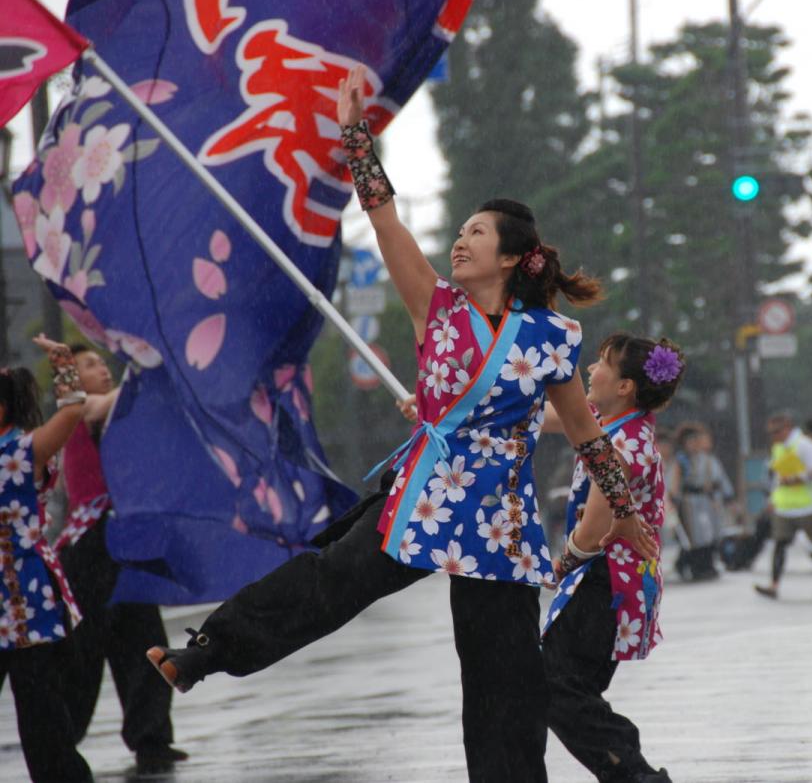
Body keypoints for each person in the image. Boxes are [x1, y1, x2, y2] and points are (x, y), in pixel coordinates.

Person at [145, 65, 655, 783]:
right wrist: (356, 134)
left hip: (500, 522)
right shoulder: (434, 305)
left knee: (503, 680)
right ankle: (208, 650)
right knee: (331, 578)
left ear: (511, 256)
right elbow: (381, 214)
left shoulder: (551, 337)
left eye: (477, 234)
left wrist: (625, 510)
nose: (460, 241)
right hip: (425, 489)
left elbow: (585, 433)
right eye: (462, 230)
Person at [540, 333, 684, 783]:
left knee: (556, 685)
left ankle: (633, 771)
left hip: (608, 580)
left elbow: (599, 524)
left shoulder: (625, 443)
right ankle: (628, 764)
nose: (590, 369)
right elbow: (551, 416)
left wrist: (562, 563)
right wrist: (443, 411)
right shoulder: (613, 427)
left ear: (625, 387)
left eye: (602, 363)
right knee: (568, 686)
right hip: (608, 580)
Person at [56, 346, 186, 773]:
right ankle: (57, 744)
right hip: (89, 547)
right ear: (72, 379)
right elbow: (100, 404)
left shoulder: (120, 418)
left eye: (103, 363)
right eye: (90, 365)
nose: (103, 371)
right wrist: (145, 365)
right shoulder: (76, 410)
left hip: (126, 541)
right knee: (81, 654)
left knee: (144, 642)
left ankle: (152, 739)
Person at [0, 336, 93, 782]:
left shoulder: (21, 448)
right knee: (41, 710)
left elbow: (73, 408)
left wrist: (62, 361)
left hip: (25, 597)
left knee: (40, 713)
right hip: (14, 596)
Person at [754, 412, 812, 599]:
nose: (773, 436)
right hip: (785, 507)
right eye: (770, 433)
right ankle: (774, 585)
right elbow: (777, 477)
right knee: (780, 544)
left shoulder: (805, 445)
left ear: (787, 428)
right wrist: (772, 500)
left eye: (776, 431)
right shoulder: (778, 448)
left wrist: (798, 478)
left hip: (806, 505)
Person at [674, 422, 733, 580]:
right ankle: (695, 567)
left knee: (709, 536)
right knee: (695, 538)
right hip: (689, 502)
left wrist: (724, 496)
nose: (694, 444)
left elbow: (719, 480)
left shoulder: (708, 459)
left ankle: (707, 565)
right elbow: (675, 484)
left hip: (707, 502)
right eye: (691, 441)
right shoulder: (682, 460)